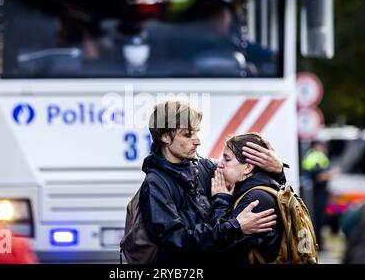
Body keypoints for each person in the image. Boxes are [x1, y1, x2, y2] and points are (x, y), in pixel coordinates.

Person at [139, 100, 286, 264]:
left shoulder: (206, 166)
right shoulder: (154, 184)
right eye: (188, 134)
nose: (198, 141)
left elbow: (247, 178)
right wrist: (236, 227)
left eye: (196, 132)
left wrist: (278, 170)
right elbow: (175, 240)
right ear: (165, 137)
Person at [211, 133, 284, 264]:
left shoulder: (255, 199)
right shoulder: (252, 190)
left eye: (227, 159)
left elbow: (220, 249)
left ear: (248, 167)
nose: (219, 165)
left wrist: (220, 200)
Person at [302, 140, 339, 250]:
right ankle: (318, 245)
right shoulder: (316, 157)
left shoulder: (314, 156)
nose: (324, 148)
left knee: (318, 220)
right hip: (317, 196)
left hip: (316, 194)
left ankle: (318, 244)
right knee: (318, 221)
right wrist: (331, 174)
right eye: (322, 145)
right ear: (316, 146)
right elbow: (319, 176)